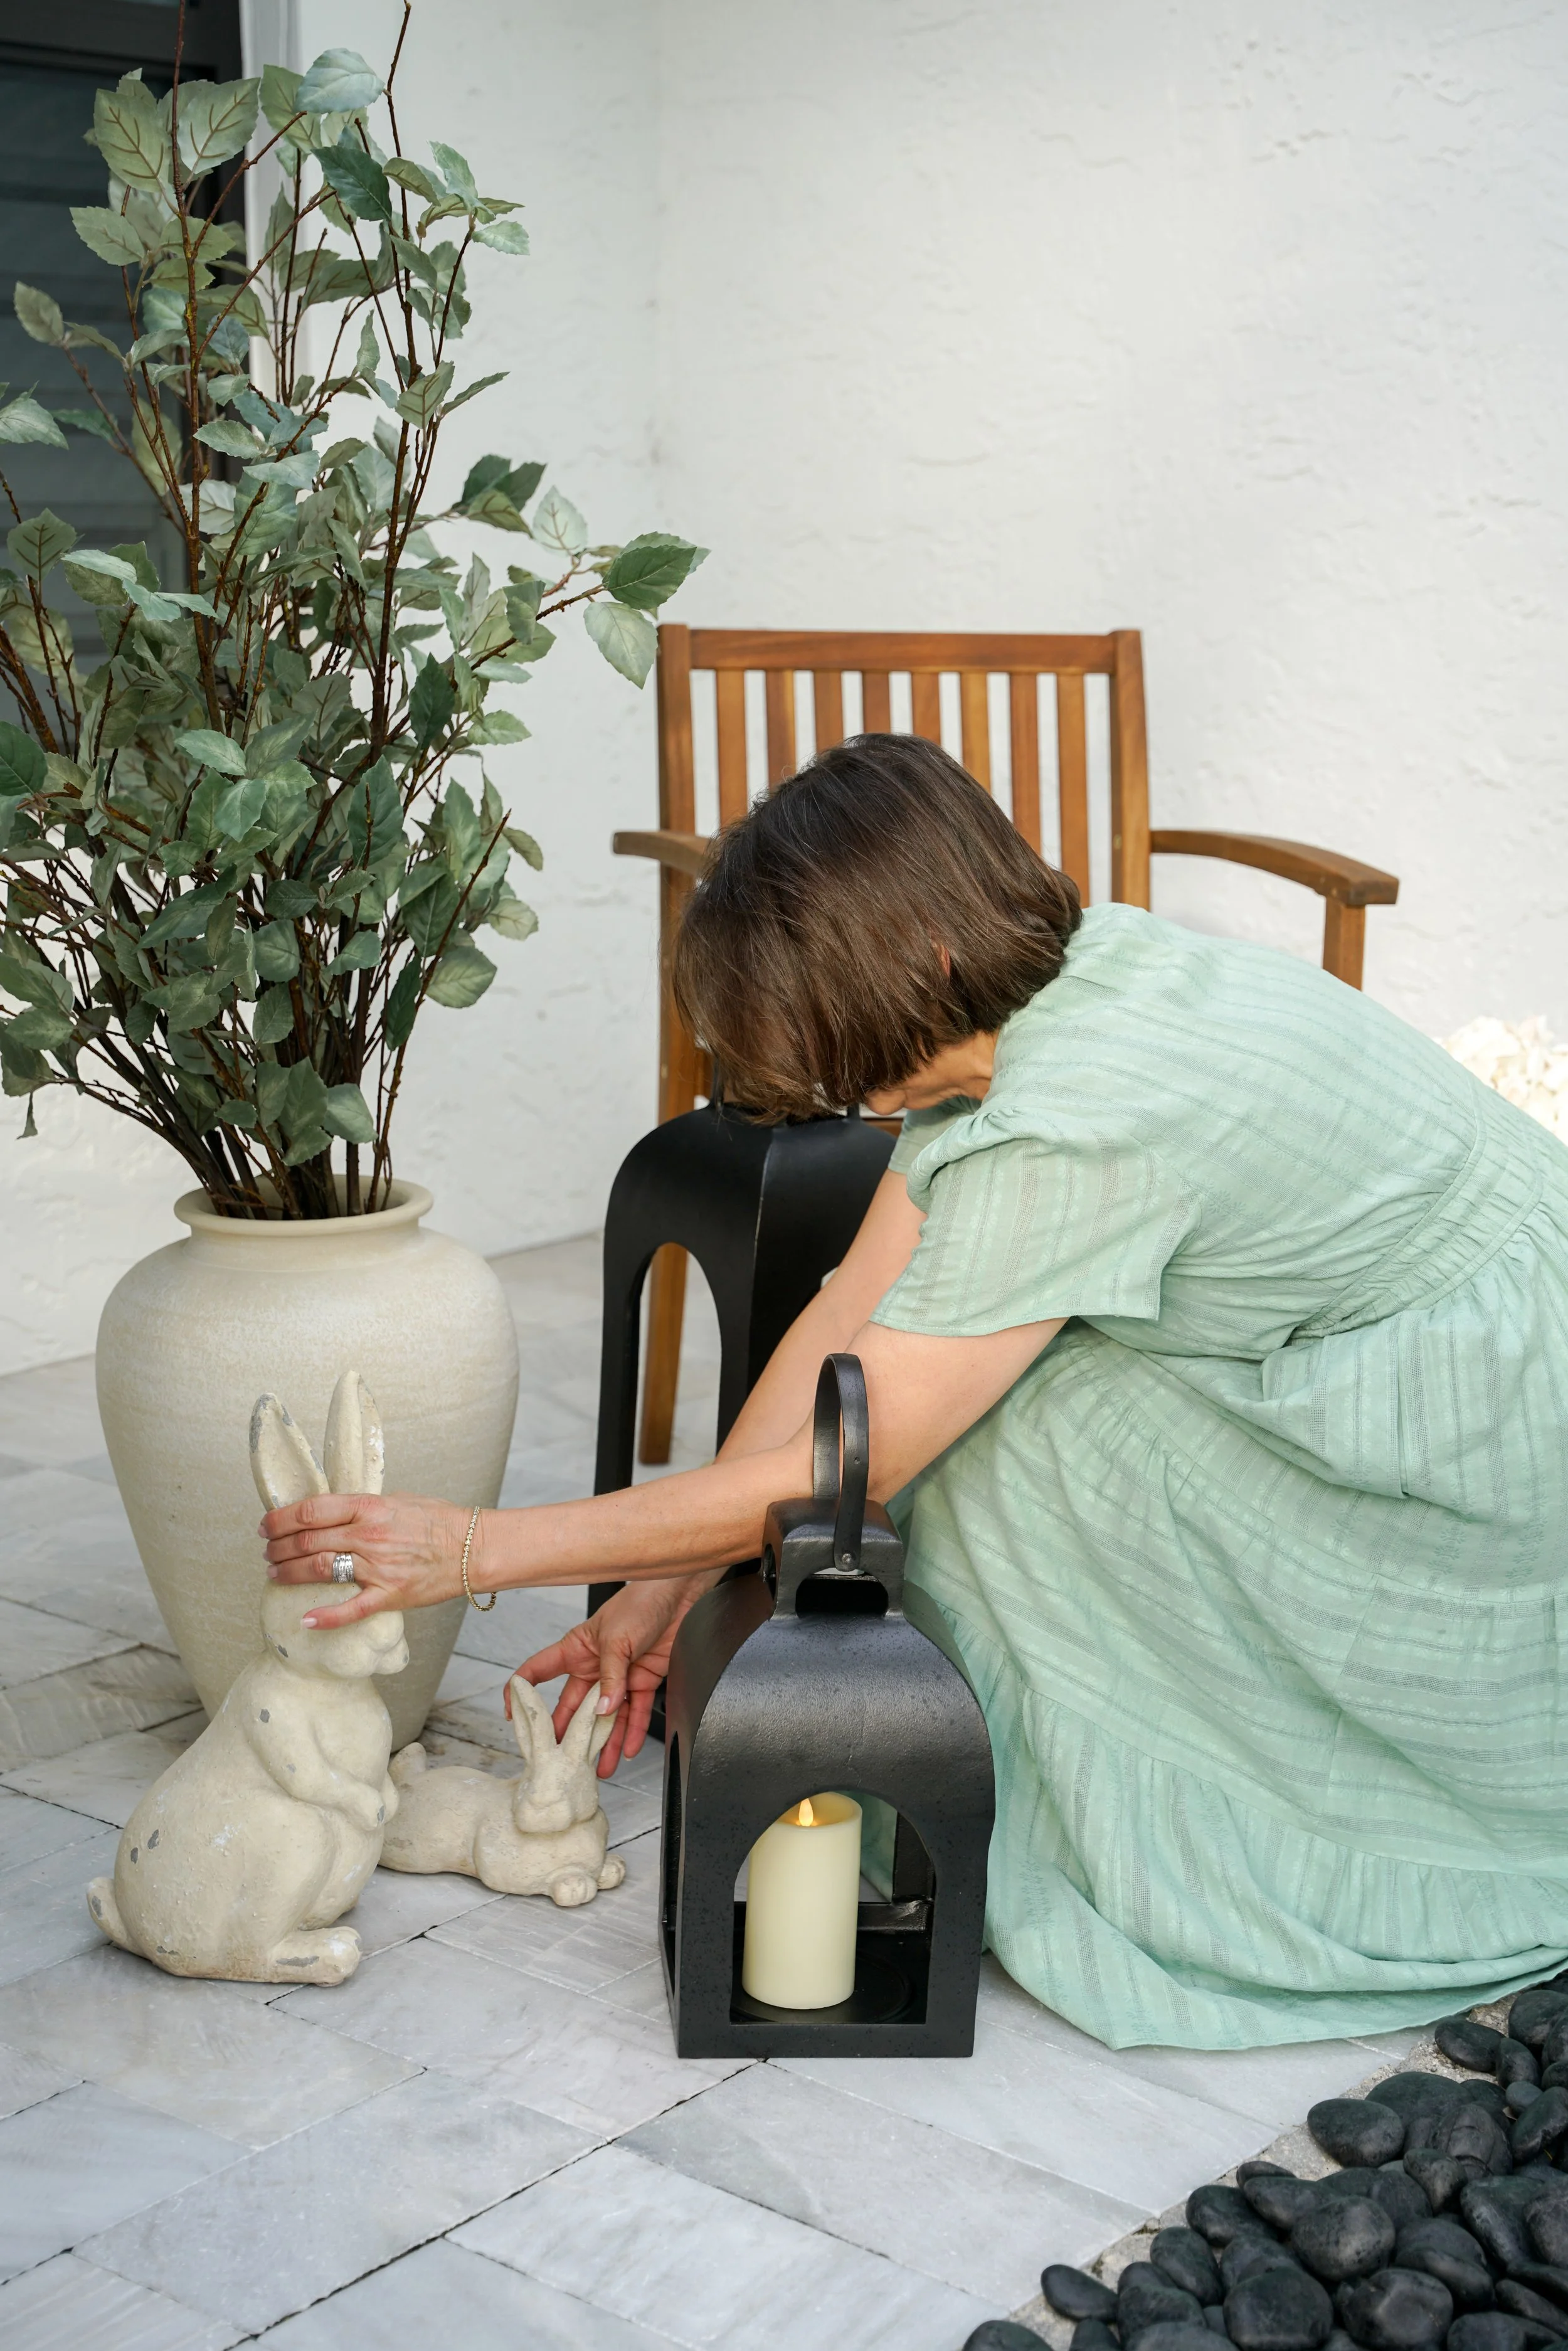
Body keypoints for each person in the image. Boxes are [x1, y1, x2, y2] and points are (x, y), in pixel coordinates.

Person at [263, 734, 1568, 2051]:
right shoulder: (1052, 984)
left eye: (817, 1027)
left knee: (1012, 1441)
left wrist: (475, 1548)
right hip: (1433, 1338)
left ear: (919, 962)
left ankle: (1226, 1854)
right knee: (935, 1391)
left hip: (1490, 1435)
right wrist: (656, 1580)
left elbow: (844, 1464)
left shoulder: (1070, 1114)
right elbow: (845, 1312)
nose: (814, 1081)